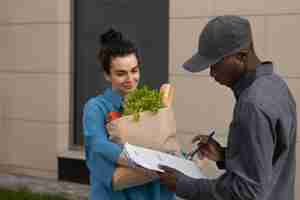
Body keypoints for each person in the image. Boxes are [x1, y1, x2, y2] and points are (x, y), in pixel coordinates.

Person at [159, 15, 297, 200]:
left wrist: (184, 185)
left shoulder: (252, 104)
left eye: (215, 63)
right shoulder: (276, 86)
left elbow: (248, 192)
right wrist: (225, 155)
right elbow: (268, 165)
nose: (211, 72)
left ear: (241, 55)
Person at [82, 28, 175, 200]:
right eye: (121, 73)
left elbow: (166, 143)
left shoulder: (152, 105)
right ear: (107, 75)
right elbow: (98, 144)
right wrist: (140, 159)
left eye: (134, 70)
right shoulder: (96, 108)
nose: (130, 79)